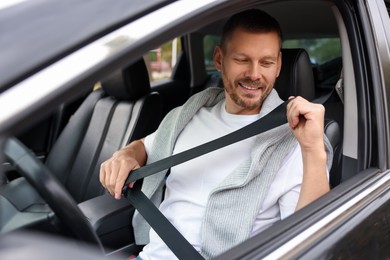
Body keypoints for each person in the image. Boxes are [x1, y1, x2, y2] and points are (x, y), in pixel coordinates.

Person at [100, 9, 332, 260]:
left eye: (266, 63)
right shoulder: (187, 115)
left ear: (278, 67)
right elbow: (146, 145)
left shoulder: (295, 140)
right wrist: (125, 155)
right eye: (242, 59)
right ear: (220, 59)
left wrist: (312, 150)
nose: (254, 74)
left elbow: (311, 240)